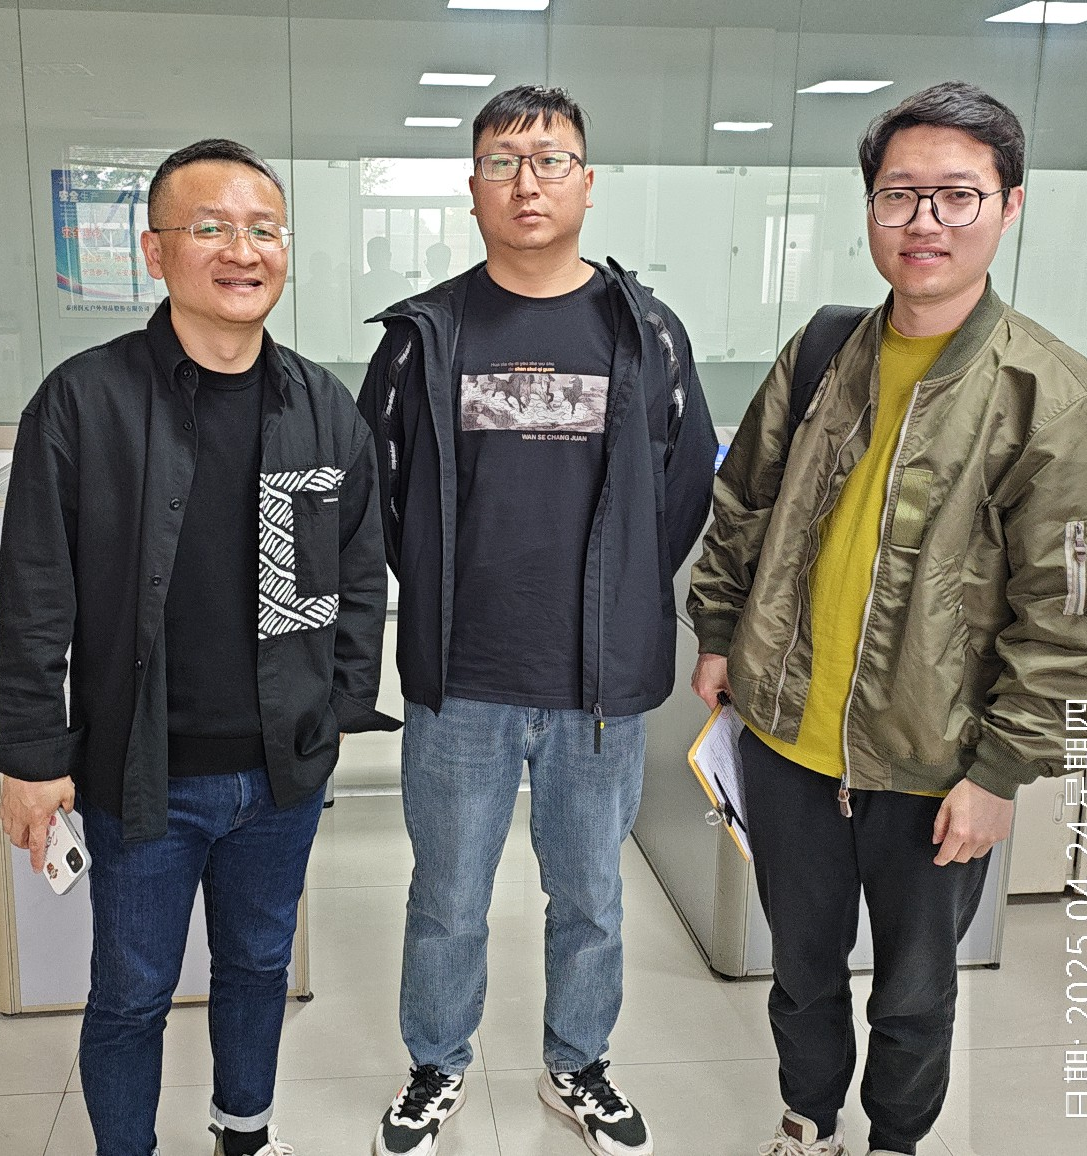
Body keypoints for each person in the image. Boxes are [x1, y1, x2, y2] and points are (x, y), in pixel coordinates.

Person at [688, 82, 1087, 1156]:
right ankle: (809, 1121)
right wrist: (717, 632)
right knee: (801, 970)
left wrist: (1002, 771)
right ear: (871, 208)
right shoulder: (823, 353)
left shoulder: (1050, 395)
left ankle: (895, 1139)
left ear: (1010, 206)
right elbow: (745, 501)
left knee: (916, 989)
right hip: (788, 739)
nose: (924, 221)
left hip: (937, 763)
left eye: (957, 195)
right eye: (899, 195)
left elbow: (1078, 613)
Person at [0, 138, 398, 1156]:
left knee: (258, 966)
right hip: (140, 774)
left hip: (279, 773)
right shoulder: (85, 402)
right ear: (155, 253)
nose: (243, 250)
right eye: (210, 228)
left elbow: (356, 576)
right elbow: (34, 597)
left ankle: (246, 1132)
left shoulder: (320, 406)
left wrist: (335, 710)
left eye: (263, 229)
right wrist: (32, 756)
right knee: (131, 992)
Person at [358, 85, 717, 1156]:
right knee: (448, 896)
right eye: (503, 161)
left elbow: (680, 491)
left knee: (592, 896)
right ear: (472, 187)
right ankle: (436, 1062)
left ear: (587, 183)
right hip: (460, 676)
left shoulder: (646, 333)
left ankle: (579, 1063)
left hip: (596, 682)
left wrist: (621, 597)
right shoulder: (424, 335)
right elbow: (384, 498)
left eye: (551, 159)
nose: (528, 181)